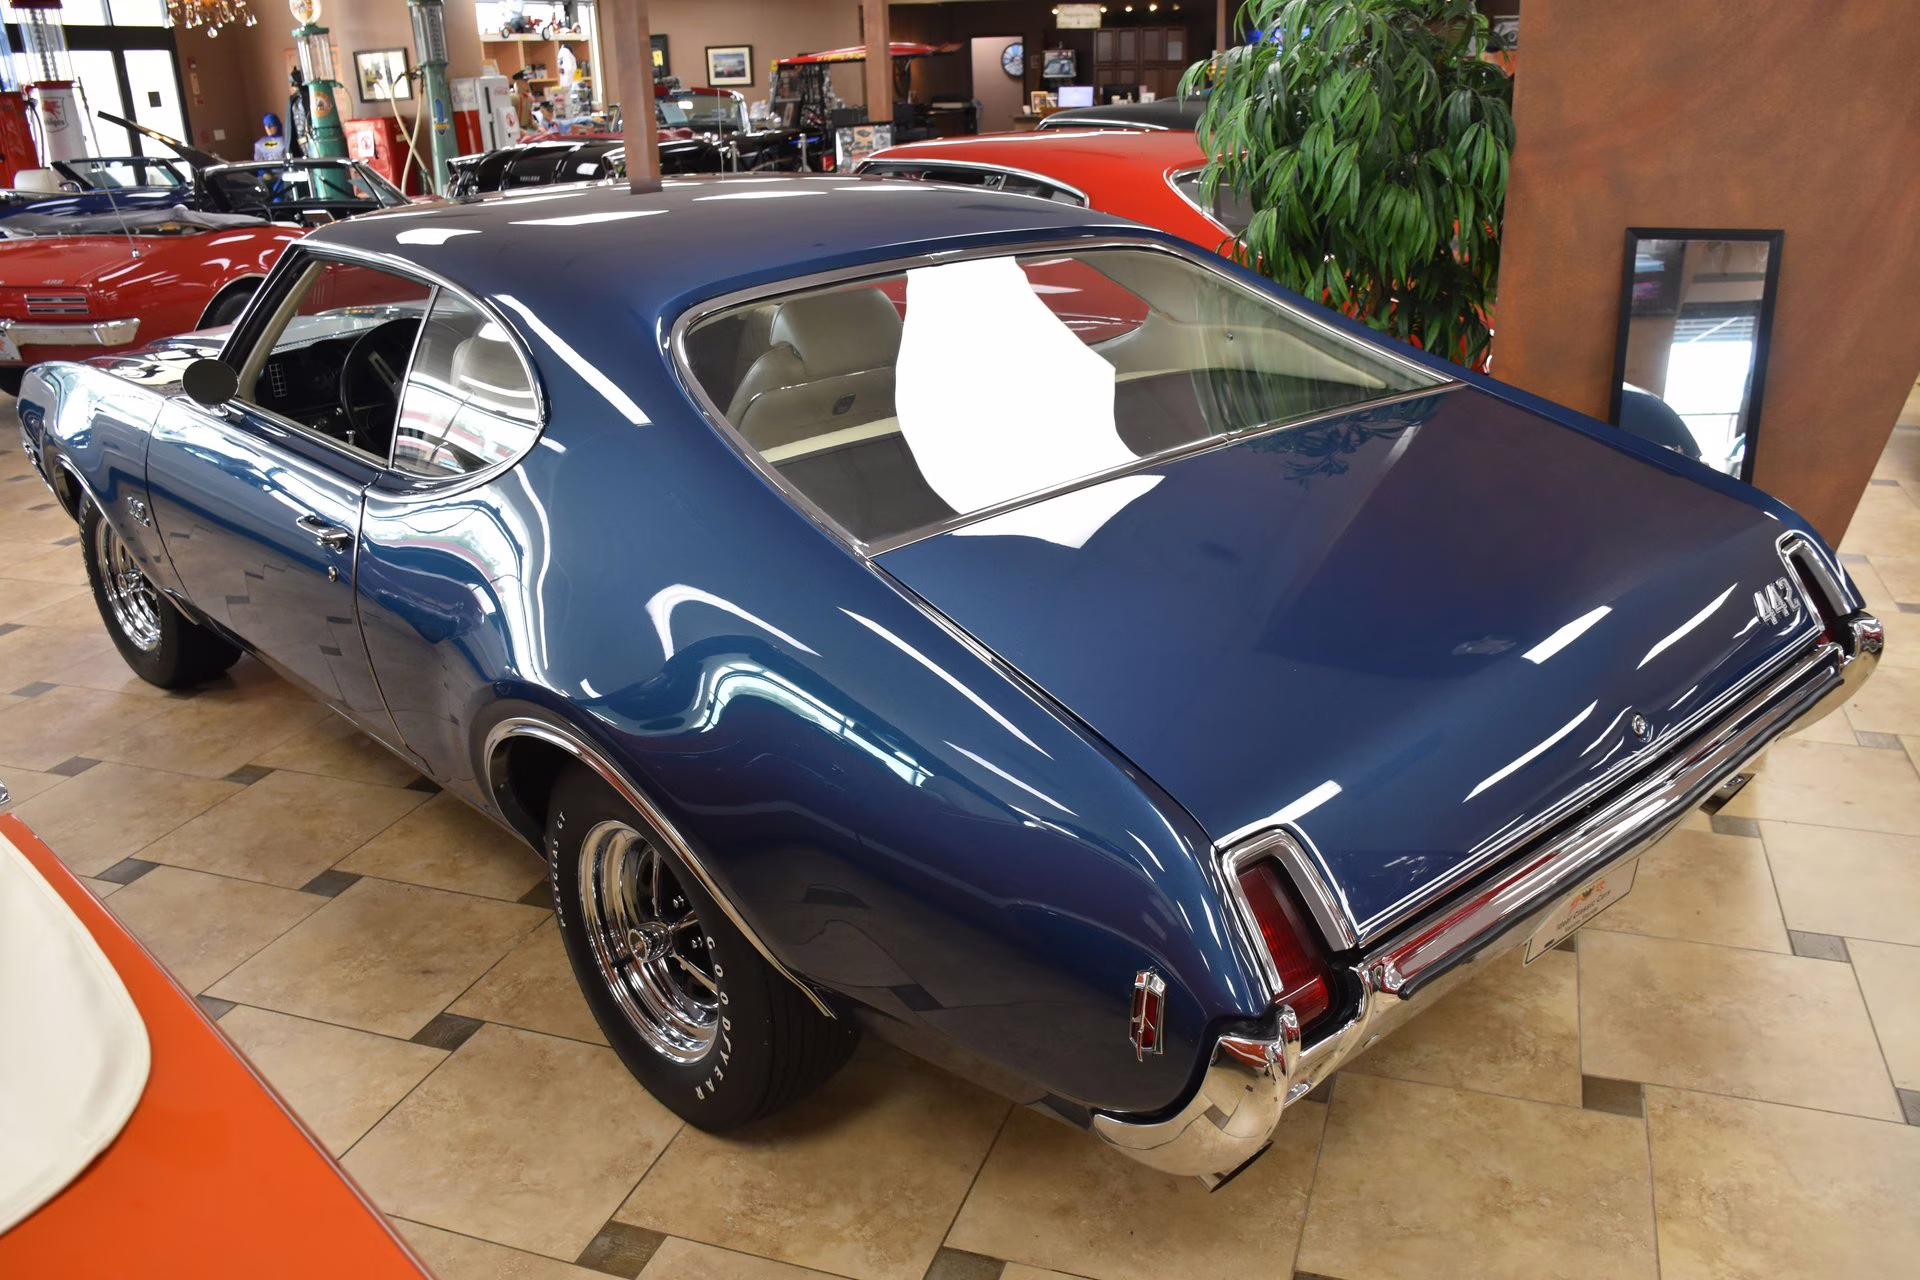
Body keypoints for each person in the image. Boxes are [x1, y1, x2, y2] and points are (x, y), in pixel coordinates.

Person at [286, 70, 311, 159]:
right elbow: (290, 126)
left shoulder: (311, 95)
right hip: (300, 140)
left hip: (312, 137)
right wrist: (289, 149)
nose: (293, 86)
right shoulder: (293, 100)